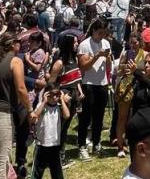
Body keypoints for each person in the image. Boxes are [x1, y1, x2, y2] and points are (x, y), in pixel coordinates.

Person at [0, 32, 32, 179]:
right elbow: (21, 89)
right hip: (1, 114)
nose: (20, 44)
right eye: (18, 42)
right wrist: (30, 110)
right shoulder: (15, 61)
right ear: (11, 45)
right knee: (1, 161)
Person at [77, 18, 112, 160]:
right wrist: (97, 56)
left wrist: (107, 57)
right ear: (93, 31)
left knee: (99, 117)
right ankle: (82, 145)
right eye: (99, 33)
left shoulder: (106, 43)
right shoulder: (84, 45)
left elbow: (108, 66)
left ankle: (96, 143)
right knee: (85, 118)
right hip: (88, 83)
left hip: (102, 83)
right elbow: (83, 66)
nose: (102, 36)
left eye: (104, 33)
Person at [30, 82, 71, 179]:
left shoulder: (59, 106)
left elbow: (67, 115)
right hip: (41, 144)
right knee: (37, 171)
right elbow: (34, 117)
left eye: (57, 95)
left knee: (57, 172)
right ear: (46, 94)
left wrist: (62, 99)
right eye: (51, 95)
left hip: (54, 144)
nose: (54, 98)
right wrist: (44, 102)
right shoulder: (41, 105)